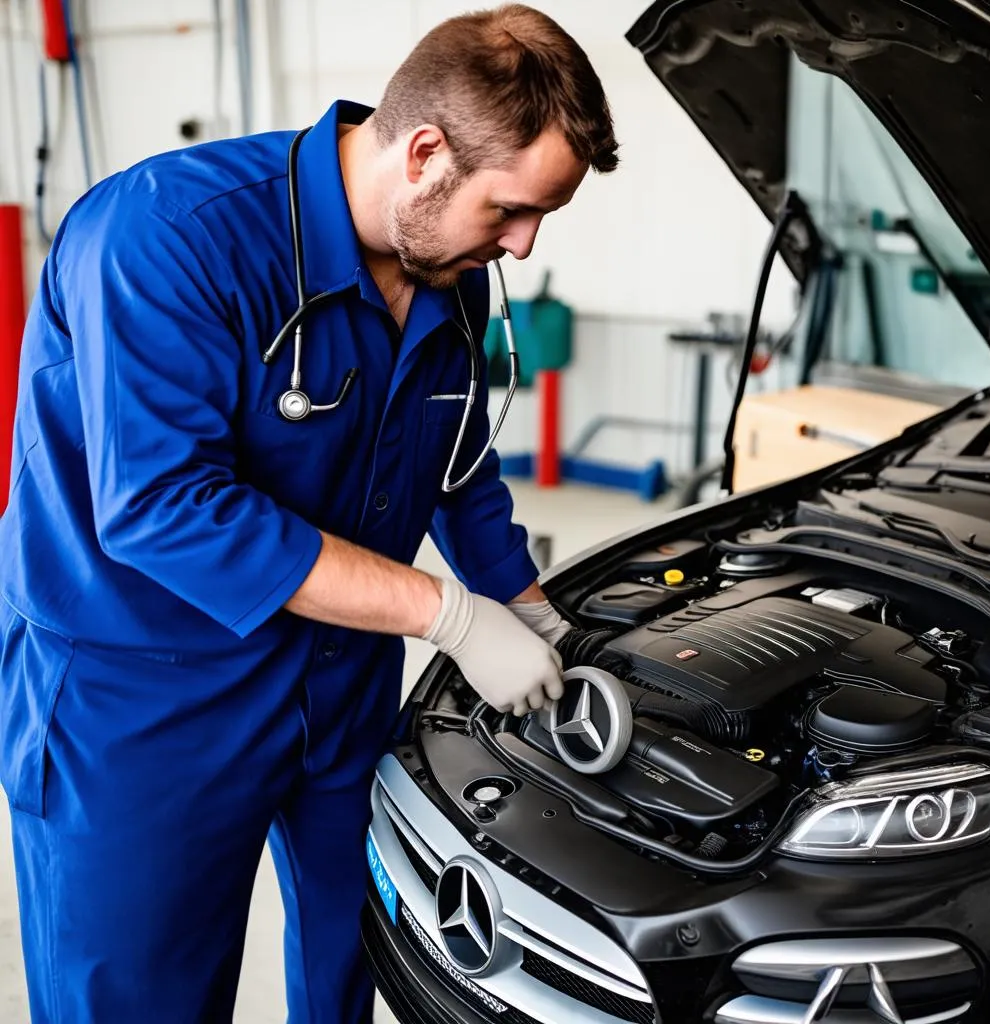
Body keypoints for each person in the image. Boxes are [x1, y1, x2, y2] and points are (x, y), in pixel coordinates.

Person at [0, 4, 618, 1022]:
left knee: (360, 968)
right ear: (424, 153)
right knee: (140, 999)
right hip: (143, 703)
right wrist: (449, 617)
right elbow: (163, 508)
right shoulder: (166, 240)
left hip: (341, 684)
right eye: (509, 210)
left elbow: (456, 459)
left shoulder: (442, 269)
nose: (521, 245)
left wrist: (533, 609)